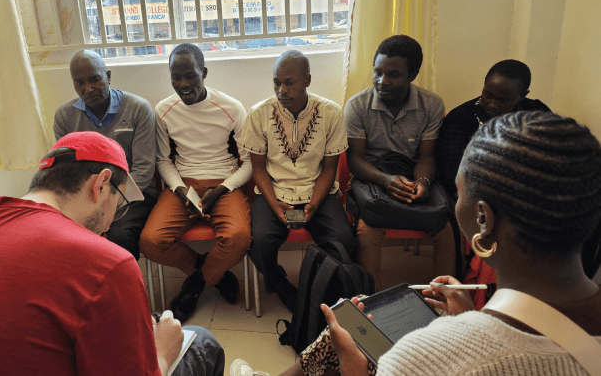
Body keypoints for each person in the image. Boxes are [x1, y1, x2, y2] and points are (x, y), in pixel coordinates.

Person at [232, 111, 601, 375]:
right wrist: (471, 318)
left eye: (458, 194)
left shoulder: (425, 354)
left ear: (483, 221)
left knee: (340, 337)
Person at [0, 131, 224, 376]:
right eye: (116, 207)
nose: (107, 226)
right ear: (100, 185)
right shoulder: (106, 261)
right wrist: (162, 351)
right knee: (200, 342)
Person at [139, 43, 252, 322]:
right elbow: (163, 160)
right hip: (182, 183)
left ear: (204, 72)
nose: (183, 84)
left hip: (224, 183)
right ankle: (209, 273)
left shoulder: (231, 108)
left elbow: (249, 162)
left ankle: (195, 284)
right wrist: (179, 189)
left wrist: (223, 188)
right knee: (150, 241)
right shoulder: (164, 110)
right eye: (176, 77)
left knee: (238, 238)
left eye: (190, 75)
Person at [240, 50, 356, 312]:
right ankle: (279, 284)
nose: (281, 90)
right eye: (276, 82)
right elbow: (258, 169)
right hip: (274, 190)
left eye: (289, 82)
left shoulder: (330, 113)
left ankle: (326, 290)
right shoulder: (259, 114)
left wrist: (313, 205)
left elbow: (330, 169)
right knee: (259, 241)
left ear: (307, 80)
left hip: (318, 190)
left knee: (343, 238)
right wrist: (274, 203)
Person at [344, 35, 455, 290]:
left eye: (393, 74)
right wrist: (386, 180)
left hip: (413, 174)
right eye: (378, 72)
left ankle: (444, 301)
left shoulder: (431, 105)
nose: (382, 82)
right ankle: (372, 303)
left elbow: (427, 156)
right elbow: (355, 160)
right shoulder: (357, 105)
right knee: (367, 234)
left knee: (446, 230)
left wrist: (423, 183)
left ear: (413, 74)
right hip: (372, 178)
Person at [54, 49, 157, 260]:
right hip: (88, 196)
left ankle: (125, 290)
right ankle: (89, 292)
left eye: (94, 79)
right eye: (79, 82)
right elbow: (64, 170)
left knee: (119, 235)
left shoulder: (138, 109)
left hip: (134, 194)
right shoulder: (65, 117)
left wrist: (110, 202)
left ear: (108, 76)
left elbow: (144, 170)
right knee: (63, 237)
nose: (88, 89)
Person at [436, 59, 550, 199]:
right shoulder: (459, 118)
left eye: (503, 101)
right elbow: (452, 177)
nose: (492, 105)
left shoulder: (536, 112)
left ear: (522, 95)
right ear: (484, 84)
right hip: (476, 197)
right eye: (488, 95)